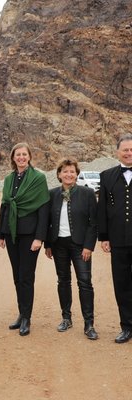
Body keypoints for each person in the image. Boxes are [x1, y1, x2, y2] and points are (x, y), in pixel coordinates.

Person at [0, 143, 49, 336]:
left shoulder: (38, 178)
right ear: (13, 157)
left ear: (29, 157)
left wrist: (39, 238)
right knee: (17, 276)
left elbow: (44, 209)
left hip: (29, 235)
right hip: (11, 234)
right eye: (17, 155)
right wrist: (0, 234)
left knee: (26, 277)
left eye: (24, 154)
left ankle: (27, 318)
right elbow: (5, 206)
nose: (21, 157)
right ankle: (21, 313)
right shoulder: (9, 178)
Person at [45, 158, 98, 340]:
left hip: (80, 246)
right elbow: (47, 222)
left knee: (85, 282)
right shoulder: (52, 194)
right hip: (58, 244)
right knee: (63, 281)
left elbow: (93, 223)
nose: (69, 174)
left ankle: (89, 323)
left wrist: (88, 246)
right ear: (59, 174)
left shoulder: (88, 193)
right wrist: (48, 244)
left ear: (77, 174)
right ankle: (66, 318)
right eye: (65, 171)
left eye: (72, 171)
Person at [98, 134, 132, 343]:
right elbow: (102, 209)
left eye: (131, 150)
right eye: (125, 150)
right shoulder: (106, 176)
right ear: (117, 152)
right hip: (118, 240)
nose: (129, 153)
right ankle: (126, 326)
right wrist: (104, 237)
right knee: (122, 284)